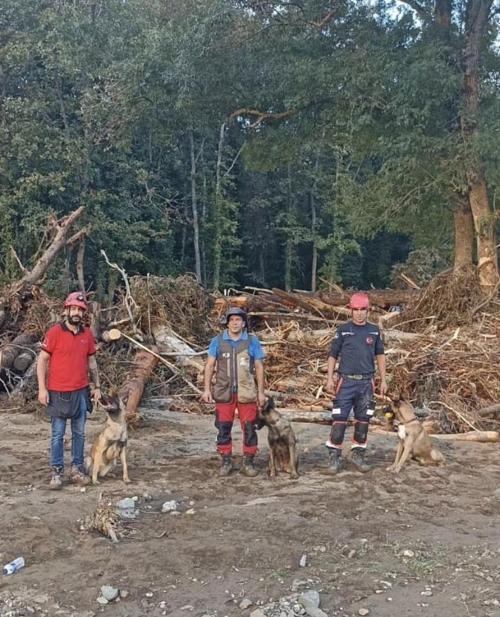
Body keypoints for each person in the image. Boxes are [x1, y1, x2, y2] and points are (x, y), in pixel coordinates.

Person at [37, 292, 101, 489]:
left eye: (80, 310)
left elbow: (91, 362)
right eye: (73, 309)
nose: (76, 313)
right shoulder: (55, 333)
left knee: (79, 434)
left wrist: (97, 386)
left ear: (83, 314)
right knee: (57, 435)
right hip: (57, 392)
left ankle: (77, 469)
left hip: (80, 392)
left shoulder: (87, 334)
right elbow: (42, 360)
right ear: (66, 311)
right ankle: (57, 472)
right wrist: (42, 389)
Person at [325, 292, 387, 473]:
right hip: (345, 382)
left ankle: (358, 455)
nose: (359, 313)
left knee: (363, 421)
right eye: (356, 310)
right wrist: (329, 378)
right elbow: (332, 355)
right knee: (339, 420)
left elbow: (380, 356)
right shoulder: (342, 330)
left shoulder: (374, 331)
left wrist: (383, 380)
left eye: (363, 310)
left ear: (368, 311)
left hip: (366, 383)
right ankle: (334, 458)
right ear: (350, 311)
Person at [201, 307, 266, 477]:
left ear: (243, 323)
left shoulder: (252, 341)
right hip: (224, 391)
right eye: (232, 320)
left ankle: (249, 462)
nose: (235, 323)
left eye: (238, 320)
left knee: (250, 428)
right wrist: (207, 389)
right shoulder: (218, 341)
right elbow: (209, 365)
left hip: (247, 392)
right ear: (227, 323)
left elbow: (259, 366)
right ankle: (226, 460)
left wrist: (261, 392)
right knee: (223, 427)